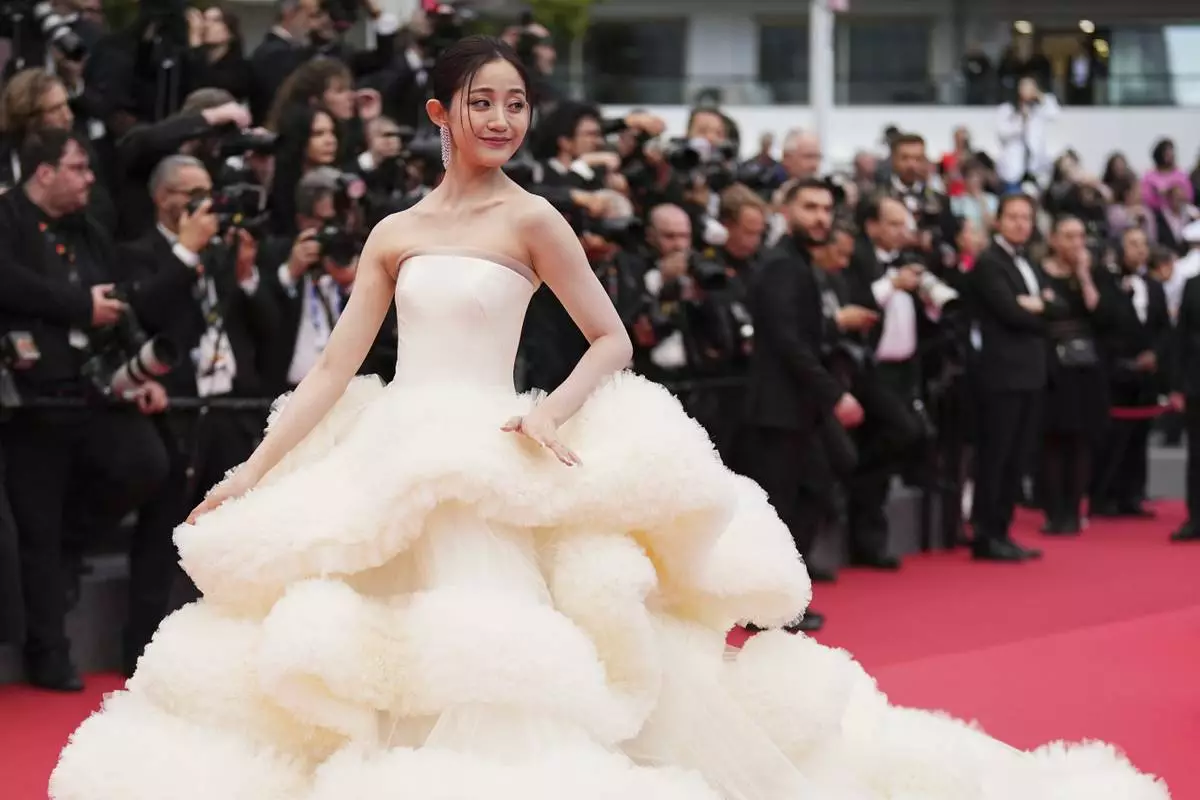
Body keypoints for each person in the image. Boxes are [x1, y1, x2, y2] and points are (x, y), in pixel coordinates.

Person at [51, 36, 1169, 800]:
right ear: (440, 113)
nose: (501, 118)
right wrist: (255, 469)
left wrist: (552, 413)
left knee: (492, 657)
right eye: (480, 102)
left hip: (492, 450)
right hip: (392, 448)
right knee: (369, 644)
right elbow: (337, 367)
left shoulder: (535, 219)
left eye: (514, 103)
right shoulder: (394, 232)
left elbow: (612, 339)